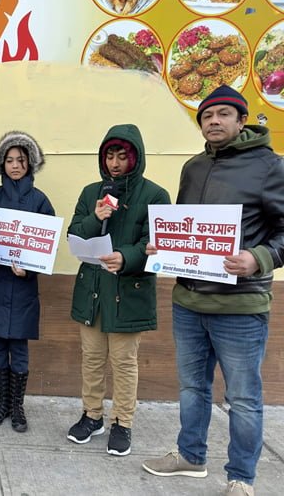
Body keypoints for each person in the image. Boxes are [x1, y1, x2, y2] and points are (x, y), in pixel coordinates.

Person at [142, 86, 284, 496]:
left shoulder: (269, 166)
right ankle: (191, 456)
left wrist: (259, 257)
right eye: (208, 116)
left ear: (242, 121)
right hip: (189, 300)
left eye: (224, 114)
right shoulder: (193, 167)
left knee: (242, 398)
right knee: (191, 388)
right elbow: (189, 227)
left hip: (240, 305)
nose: (215, 121)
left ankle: (241, 477)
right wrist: (162, 246)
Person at [66, 124, 170, 456]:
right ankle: (91, 415)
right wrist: (97, 217)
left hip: (128, 292)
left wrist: (127, 257)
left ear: (134, 157)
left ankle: (122, 422)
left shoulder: (155, 195)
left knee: (124, 361)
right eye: (109, 155)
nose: (114, 162)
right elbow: (75, 234)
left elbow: (156, 243)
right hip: (93, 289)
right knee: (92, 358)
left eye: (122, 156)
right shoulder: (91, 192)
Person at [0, 131, 55, 433]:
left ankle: (17, 405)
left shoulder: (40, 201)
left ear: (29, 163)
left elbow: (47, 245)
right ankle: (2, 402)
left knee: (18, 348)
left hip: (22, 289)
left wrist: (29, 271)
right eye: (9, 160)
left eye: (21, 160)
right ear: (1, 164)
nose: (15, 165)